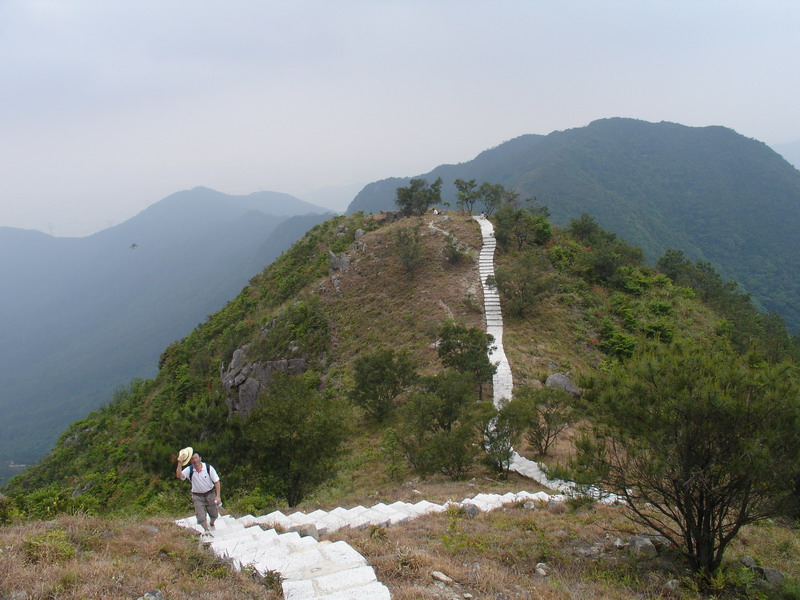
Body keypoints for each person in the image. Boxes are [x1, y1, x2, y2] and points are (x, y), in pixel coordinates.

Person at [176, 452, 221, 532]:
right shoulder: (190, 470)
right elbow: (179, 475)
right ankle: (206, 530)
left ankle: (212, 523)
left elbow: (216, 482)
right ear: (190, 461)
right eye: (192, 459)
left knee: (214, 514)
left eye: (196, 458)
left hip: (210, 494)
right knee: (200, 517)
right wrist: (179, 463)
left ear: (200, 458)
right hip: (197, 496)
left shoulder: (208, 468)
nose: (195, 460)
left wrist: (218, 496)